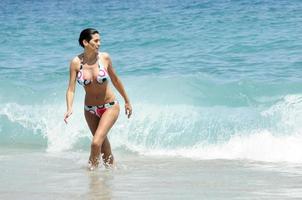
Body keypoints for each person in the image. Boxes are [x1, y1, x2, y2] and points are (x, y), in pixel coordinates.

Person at [64, 28, 132, 170]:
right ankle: (110, 175)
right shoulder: (76, 63)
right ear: (85, 42)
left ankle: (91, 175)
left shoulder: (104, 58)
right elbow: (71, 89)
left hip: (110, 106)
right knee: (103, 147)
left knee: (95, 143)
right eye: (95, 41)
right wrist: (69, 108)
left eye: (99, 40)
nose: (99, 43)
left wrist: (127, 100)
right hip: (89, 110)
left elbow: (115, 80)